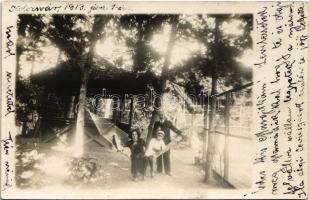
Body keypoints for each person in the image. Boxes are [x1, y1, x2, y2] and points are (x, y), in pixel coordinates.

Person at [152, 111, 183, 176]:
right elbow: (153, 133)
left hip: (167, 143)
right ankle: (159, 170)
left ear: (164, 116)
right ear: (159, 116)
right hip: (158, 142)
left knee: (166, 156)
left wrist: (180, 133)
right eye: (160, 115)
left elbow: (174, 129)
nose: (161, 116)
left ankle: (168, 171)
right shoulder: (156, 123)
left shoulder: (168, 123)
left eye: (162, 115)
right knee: (159, 155)